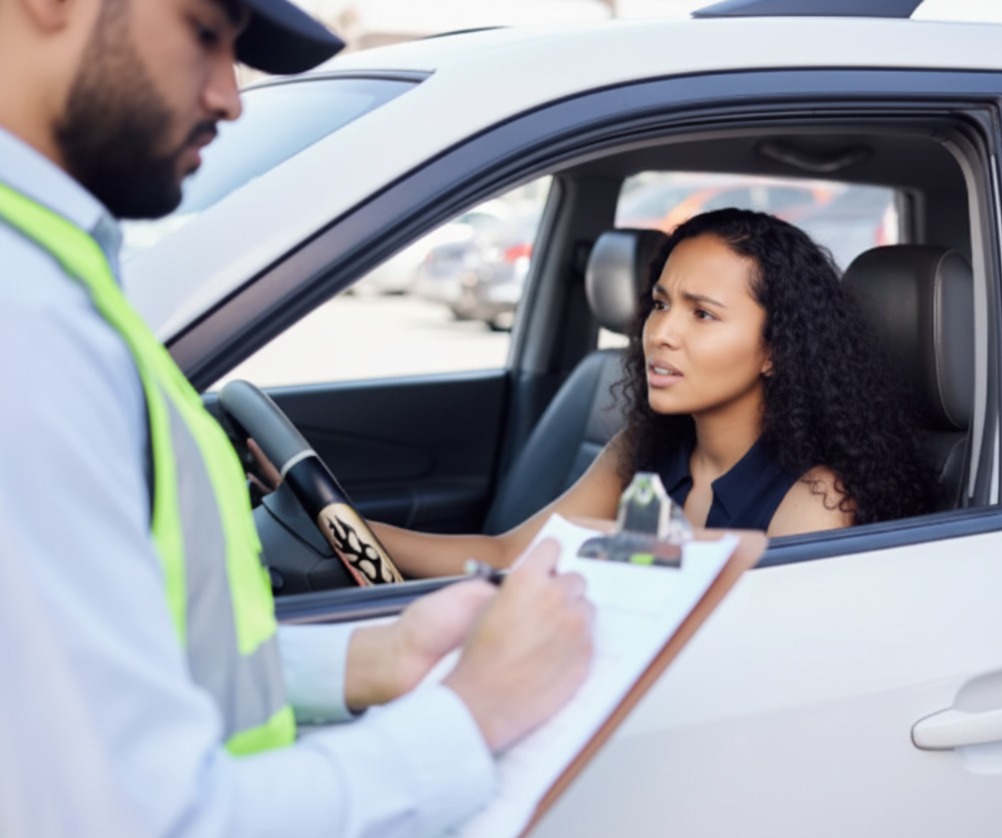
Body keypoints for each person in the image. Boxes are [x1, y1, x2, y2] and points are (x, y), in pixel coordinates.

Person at [0, 0, 593, 835]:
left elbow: (98, 669)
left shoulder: (49, 275)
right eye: (205, 32)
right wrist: (474, 714)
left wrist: (378, 657)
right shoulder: (24, 320)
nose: (229, 96)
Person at [360, 208, 937, 578]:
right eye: (660, 304)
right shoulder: (644, 448)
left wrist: (606, 550)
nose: (660, 333)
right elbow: (510, 557)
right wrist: (341, 524)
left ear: (775, 351)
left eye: (703, 315)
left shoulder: (815, 500)